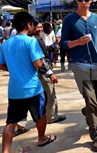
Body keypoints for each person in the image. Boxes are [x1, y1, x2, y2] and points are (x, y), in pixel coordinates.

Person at [60, 0, 97, 152]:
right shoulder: (69, 20)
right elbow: (63, 43)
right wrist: (77, 42)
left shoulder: (96, 18)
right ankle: (96, 136)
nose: (83, 2)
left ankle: (88, 111)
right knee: (91, 99)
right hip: (79, 65)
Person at [0, 12, 57, 153]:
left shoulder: (5, 44)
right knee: (40, 115)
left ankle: (5, 151)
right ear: (28, 25)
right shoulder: (31, 41)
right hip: (33, 88)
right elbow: (38, 63)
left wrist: (15, 69)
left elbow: (1, 65)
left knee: (11, 122)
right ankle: (42, 138)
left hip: (15, 90)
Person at [32, 18, 66, 124]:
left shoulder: (36, 38)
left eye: (41, 26)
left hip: (41, 70)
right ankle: (50, 117)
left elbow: (45, 51)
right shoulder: (34, 40)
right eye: (37, 27)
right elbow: (41, 59)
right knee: (50, 94)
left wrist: (54, 45)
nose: (40, 29)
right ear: (30, 27)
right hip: (43, 71)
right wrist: (50, 73)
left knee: (47, 94)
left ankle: (50, 115)